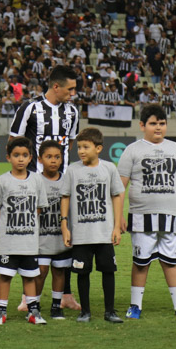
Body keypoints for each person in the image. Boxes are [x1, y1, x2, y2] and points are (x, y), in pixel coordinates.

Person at [10, 65, 82, 311]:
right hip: (33, 183)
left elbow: (70, 143)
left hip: (62, 183)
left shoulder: (72, 112)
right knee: (33, 238)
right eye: (70, 89)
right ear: (56, 86)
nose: (73, 94)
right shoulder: (30, 108)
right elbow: (14, 142)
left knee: (66, 235)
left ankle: (66, 295)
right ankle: (26, 295)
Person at [117, 104, 176, 320]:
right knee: (141, 262)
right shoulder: (132, 150)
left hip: (171, 217)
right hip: (142, 216)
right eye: (153, 123)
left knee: (171, 261)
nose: (158, 128)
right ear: (142, 125)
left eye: (162, 123)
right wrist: (118, 219)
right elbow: (119, 188)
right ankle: (135, 305)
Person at [61, 127, 125, 323]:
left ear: (98, 148)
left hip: (104, 233)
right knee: (82, 272)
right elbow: (65, 197)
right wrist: (64, 225)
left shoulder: (109, 168)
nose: (81, 151)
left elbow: (117, 196)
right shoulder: (72, 170)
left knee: (108, 271)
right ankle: (85, 311)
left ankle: (110, 311)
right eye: (79, 147)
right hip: (81, 234)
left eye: (85, 147)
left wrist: (116, 226)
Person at [0, 136, 49, 325]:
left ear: (31, 157)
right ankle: (1, 312)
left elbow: (39, 207)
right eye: (16, 155)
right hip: (9, 241)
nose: (20, 159)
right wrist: (4, 228)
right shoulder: (2, 181)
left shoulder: (37, 180)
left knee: (30, 276)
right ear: (8, 157)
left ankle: (33, 312)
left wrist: (28, 224)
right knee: (5, 276)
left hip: (29, 241)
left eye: (24, 155)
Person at [35, 140, 72, 320]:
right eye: (48, 157)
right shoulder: (35, 180)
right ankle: (34, 304)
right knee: (41, 272)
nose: (53, 161)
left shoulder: (67, 180)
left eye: (57, 157)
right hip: (41, 238)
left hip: (61, 236)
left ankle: (56, 306)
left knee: (59, 271)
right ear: (40, 159)